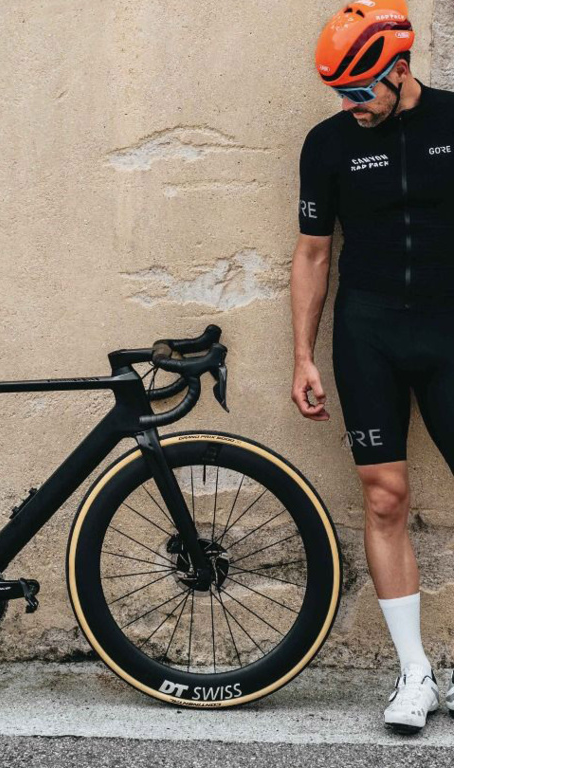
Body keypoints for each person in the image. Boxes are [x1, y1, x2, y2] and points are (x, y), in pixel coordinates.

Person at [289, 1, 453, 734]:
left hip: (459, 332)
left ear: (399, 69)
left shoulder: (463, 122)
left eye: (359, 89)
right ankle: (415, 674)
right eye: (339, 91)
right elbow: (312, 253)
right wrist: (302, 355)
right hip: (369, 334)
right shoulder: (327, 144)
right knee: (384, 499)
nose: (349, 104)